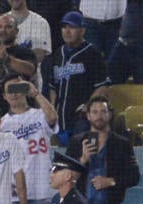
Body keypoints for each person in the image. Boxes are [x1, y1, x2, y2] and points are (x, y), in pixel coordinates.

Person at [65, 95, 140, 204]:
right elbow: (65, 176)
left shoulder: (122, 144)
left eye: (103, 112)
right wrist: (83, 159)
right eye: (95, 112)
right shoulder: (76, 142)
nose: (99, 116)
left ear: (109, 115)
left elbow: (134, 177)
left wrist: (110, 181)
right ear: (88, 116)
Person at [49, 10, 109, 143]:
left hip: (81, 120)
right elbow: (52, 87)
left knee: (81, 157)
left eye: (72, 27)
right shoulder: (57, 54)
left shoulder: (93, 54)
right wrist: (52, 110)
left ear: (82, 31)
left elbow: (102, 87)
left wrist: (87, 107)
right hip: (60, 119)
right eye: (64, 27)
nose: (67, 31)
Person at [0, 76, 57, 204]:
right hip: (15, 194)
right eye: (10, 90)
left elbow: (53, 117)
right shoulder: (1, 124)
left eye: (18, 88)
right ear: (4, 96)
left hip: (42, 190)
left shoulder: (40, 114)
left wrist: (35, 93)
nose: (14, 94)